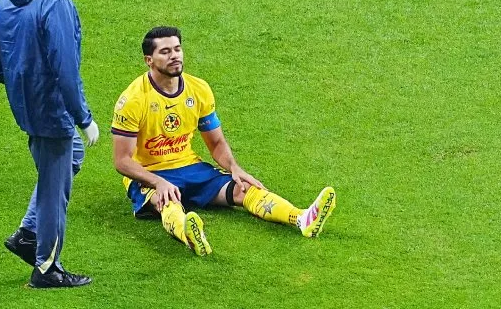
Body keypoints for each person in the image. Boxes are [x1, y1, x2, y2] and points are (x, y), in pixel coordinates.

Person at [111, 26, 336, 256]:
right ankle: (188, 234)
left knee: (244, 188)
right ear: (149, 60)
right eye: (165, 52)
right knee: (167, 202)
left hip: (190, 168)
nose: (175, 56)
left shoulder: (199, 90)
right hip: (150, 173)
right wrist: (157, 182)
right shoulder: (133, 100)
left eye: (178, 49)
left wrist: (234, 168)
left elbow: (216, 143)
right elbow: (122, 161)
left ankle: (301, 218)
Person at [0, 0, 99, 287]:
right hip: (52, 111)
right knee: (54, 186)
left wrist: (17, 82)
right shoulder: (56, 3)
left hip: (27, 106)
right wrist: (85, 117)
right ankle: (47, 268)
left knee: (67, 158)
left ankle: (28, 234)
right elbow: (65, 70)